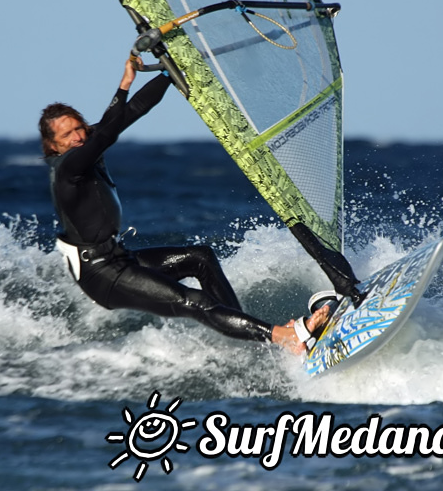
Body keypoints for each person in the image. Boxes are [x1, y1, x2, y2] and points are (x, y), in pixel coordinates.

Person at [39, 56, 328, 354]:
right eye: (66, 135)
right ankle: (282, 337)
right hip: (103, 275)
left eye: (79, 128)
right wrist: (125, 84)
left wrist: (169, 70)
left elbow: (135, 110)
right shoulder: (67, 168)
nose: (76, 137)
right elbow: (109, 131)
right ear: (53, 147)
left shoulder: (87, 144)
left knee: (200, 258)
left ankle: (254, 339)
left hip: (117, 258)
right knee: (195, 301)